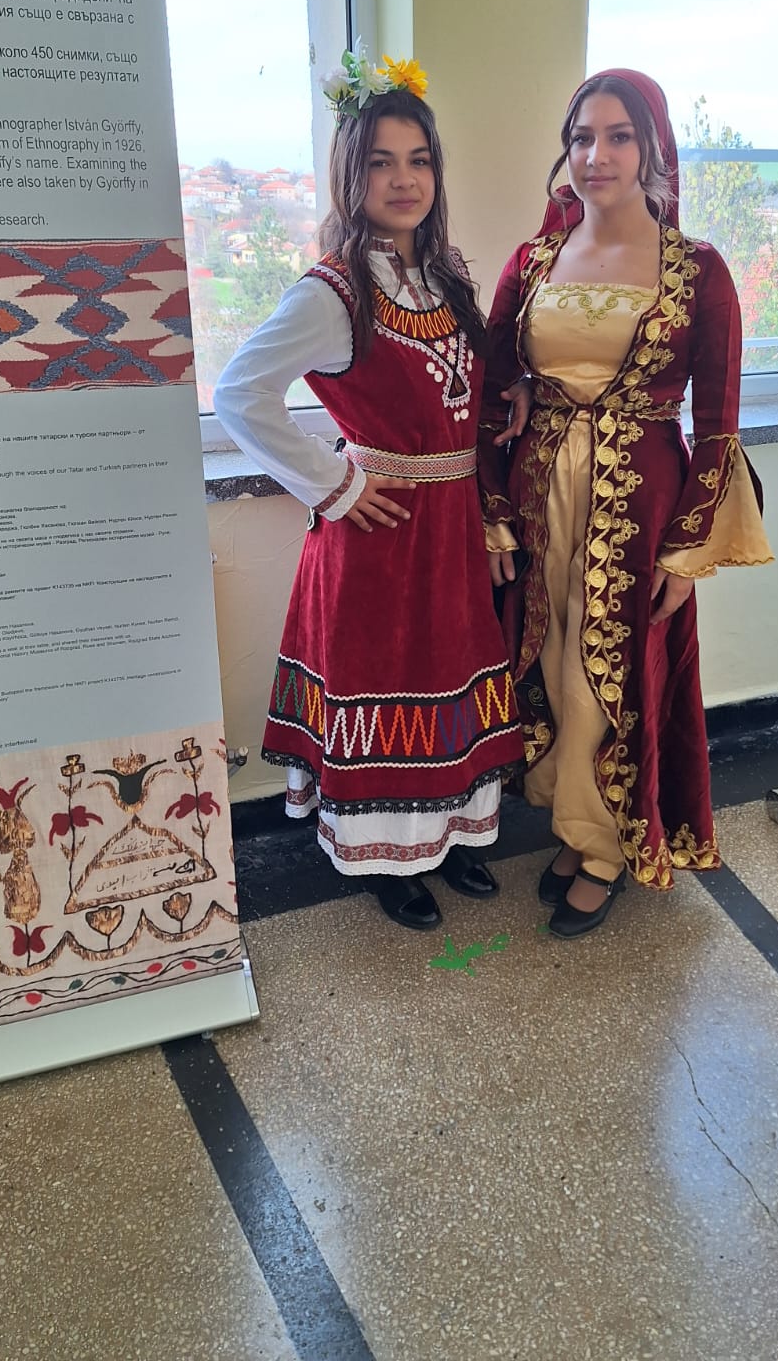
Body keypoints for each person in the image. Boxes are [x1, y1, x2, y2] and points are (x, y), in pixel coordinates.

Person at [213, 46, 524, 930]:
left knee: (448, 676)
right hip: (381, 536)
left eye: (418, 160)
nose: (404, 179)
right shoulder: (334, 291)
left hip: (450, 528)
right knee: (385, 686)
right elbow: (240, 392)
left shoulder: (444, 273)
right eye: (382, 162)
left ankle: (447, 837)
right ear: (352, 175)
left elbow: (456, 388)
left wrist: (507, 399)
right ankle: (387, 860)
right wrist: (336, 484)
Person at [479, 69, 773, 938]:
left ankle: (605, 847)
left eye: (617, 137)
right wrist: (493, 505)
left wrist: (688, 550)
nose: (595, 155)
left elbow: (717, 424)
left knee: (606, 676)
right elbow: (494, 389)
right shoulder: (532, 261)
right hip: (541, 492)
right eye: (581, 137)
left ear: (651, 149)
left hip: (638, 506)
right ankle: (574, 826)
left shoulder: (697, 270)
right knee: (549, 660)